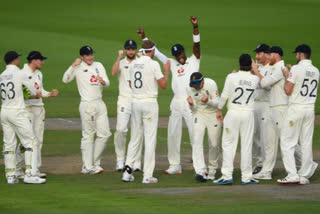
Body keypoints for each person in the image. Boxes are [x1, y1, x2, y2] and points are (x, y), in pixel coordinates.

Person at [137, 15, 200, 175]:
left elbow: (197, 45)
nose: (179, 56)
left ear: (184, 51)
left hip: (191, 101)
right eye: (176, 54)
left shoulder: (194, 60)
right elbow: (155, 52)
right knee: (172, 133)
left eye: (180, 53)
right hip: (176, 102)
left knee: (194, 133)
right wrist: (144, 38)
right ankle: (175, 165)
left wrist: (195, 27)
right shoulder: (171, 63)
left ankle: (199, 165)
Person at [122, 40, 170, 184]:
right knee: (150, 139)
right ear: (153, 51)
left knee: (135, 138)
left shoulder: (133, 63)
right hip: (149, 103)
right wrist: (166, 71)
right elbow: (163, 85)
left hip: (135, 102)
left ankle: (127, 172)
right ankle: (147, 175)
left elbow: (130, 83)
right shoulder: (154, 64)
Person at [252, 46, 301, 180]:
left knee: (286, 140)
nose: (267, 57)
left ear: (276, 55)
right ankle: (266, 171)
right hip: (274, 108)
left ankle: (306, 164)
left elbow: (265, 83)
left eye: (269, 54)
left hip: (279, 108)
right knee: (271, 141)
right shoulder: (275, 68)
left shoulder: (280, 68)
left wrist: (255, 71)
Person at [62, 45, 111, 174]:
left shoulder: (99, 65)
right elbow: (65, 79)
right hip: (87, 104)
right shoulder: (78, 68)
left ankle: (93, 163)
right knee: (88, 135)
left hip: (100, 103)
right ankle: (87, 167)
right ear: (82, 57)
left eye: (91, 54)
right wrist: (72, 65)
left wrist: (103, 82)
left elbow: (107, 82)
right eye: (88, 55)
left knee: (105, 134)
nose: (91, 57)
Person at [0, 51, 45, 184]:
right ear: (15, 60)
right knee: (30, 141)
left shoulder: (1, 75)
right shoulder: (20, 73)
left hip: (4, 111)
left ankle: (10, 175)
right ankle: (30, 174)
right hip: (17, 112)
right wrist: (34, 94)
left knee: (9, 144)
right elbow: (31, 90)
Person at [214, 54, 259, 185]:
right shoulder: (255, 79)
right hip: (248, 114)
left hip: (233, 113)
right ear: (251, 65)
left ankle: (227, 175)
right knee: (247, 145)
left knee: (228, 144)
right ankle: (246, 177)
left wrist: (219, 109)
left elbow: (224, 95)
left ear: (239, 64)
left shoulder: (231, 77)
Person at [278, 44, 319, 185]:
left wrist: (287, 77)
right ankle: (304, 175)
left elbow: (288, 90)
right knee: (306, 142)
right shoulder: (316, 71)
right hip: (310, 109)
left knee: (287, 141)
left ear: (301, 55)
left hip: (296, 109)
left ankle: (292, 174)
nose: (295, 56)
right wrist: (291, 75)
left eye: (297, 54)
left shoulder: (296, 69)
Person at [16, 51, 59, 179]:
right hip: (27, 109)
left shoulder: (39, 74)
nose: (42, 62)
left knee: (38, 139)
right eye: (40, 60)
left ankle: (35, 168)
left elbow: (40, 91)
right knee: (26, 141)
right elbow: (19, 93)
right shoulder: (21, 74)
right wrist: (32, 96)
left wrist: (49, 94)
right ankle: (18, 168)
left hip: (39, 109)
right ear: (33, 60)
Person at [111, 40, 143, 172]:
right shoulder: (122, 62)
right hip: (124, 100)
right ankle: (120, 160)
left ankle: (136, 161)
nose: (131, 51)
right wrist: (118, 57)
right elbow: (113, 73)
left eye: (133, 49)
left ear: (135, 50)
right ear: (125, 50)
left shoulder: (140, 62)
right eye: (128, 49)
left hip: (137, 100)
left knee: (137, 131)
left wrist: (143, 59)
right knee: (120, 129)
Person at [186, 72, 221, 182]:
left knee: (214, 144)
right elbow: (194, 109)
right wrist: (191, 105)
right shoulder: (189, 88)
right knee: (197, 141)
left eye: (197, 85)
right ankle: (200, 170)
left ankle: (212, 170)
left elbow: (218, 102)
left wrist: (208, 101)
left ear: (203, 81)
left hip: (212, 114)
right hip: (199, 114)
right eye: (194, 85)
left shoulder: (211, 84)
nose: (195, 88)